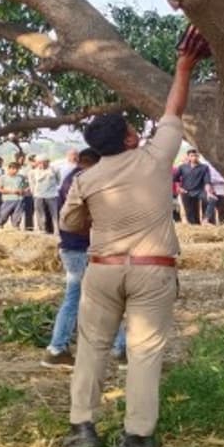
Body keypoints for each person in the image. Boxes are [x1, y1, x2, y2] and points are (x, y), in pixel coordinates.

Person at [58, 34, 205, 447]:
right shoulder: (155, 157)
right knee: (143, 353)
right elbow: (173, 109)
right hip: (152, 268)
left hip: (102, 270)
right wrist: (184, 66)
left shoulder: (85, 179)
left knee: (91, 347)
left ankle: (82, 427)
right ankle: (137, 436)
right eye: (131, 129)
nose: (137, 130)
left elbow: (71, 222)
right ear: (127, 140)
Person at [41, 149, 127, 369]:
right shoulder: (85, 181)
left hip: (74, 247)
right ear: (95, 162)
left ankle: (119, 347)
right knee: (96, 297)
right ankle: (58, 348)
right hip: (82, 248)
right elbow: (84, 219)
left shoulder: (73, 179)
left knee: (94, 297)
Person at [172, 150, 212, 226]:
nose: (194, 157)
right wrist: (179, 188)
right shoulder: (182, 167)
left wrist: (208, 191)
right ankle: (192, 227)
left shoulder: (204, 167)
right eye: (192, 156)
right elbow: (175, 179)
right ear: (188, 157)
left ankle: (199, 226)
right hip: (186, 192)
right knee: (189, 211)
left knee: (196, 210)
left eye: (196, 156)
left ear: (198, 156)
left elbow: (207, 181)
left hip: (198, 191)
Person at [29, 157, 61, 234]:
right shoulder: (33, 172)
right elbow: (32, 183)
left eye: (44, 162)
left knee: (54, 213)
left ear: (48, 162)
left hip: (52, 195)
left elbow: (58, 180)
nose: (42, 164)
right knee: (40, 213)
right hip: (38, 195)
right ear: (37, 163)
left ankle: (56, 229)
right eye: (39, 162)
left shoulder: (54, 170)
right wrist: (34, 192)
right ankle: (42, 229)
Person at [0, 163, 29, 229]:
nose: (15, 170)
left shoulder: (21, 177)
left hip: (19, 200)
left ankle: (16, 228)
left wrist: (23, 191)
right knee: (3, 215)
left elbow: (27, 187)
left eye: (17, 169)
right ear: (9, 169)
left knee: (17, 217)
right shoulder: (3, 177)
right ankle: (0, 226)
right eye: (13, 169)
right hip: (7, 200)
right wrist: (12, 191)